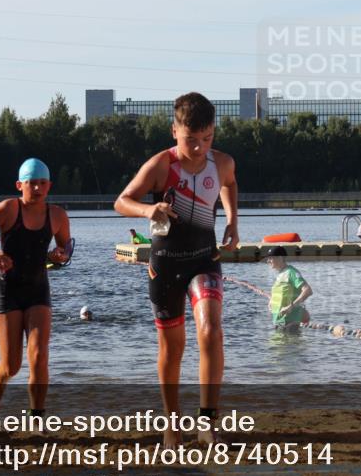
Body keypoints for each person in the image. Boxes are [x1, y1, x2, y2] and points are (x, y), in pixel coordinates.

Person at [114, 92, 239, 448]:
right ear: (174, 131)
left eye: (207, 139)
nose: (199, 148)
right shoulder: (160, 166)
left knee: (211, 329)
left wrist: (232, 219)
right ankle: (171, 425)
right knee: (172, 348)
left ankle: (208, 422)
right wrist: (147, 211)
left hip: (204, 260)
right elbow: (121, 201)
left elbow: (229, 184)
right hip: (166, 265)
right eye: (190, 140)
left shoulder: (223, 163)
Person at [0, 158, 72, 416]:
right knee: (12, 365)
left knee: (38, 356)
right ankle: (0, 381)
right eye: (31, 183)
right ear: (19, 185)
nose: (37, 189)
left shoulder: (57, 215)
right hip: (7, 290)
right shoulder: (8, 209)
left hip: (38, 290)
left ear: (49, 185)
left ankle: (37, 415)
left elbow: (66, 248)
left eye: (42, 183)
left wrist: (60, 255)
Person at [265, 246, 313, 331]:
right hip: (279, 321)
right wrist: (271, 301)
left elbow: (308, 290)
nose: (268, 261)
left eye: (270, 258)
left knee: (288, 343)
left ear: (280, 258)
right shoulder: (280, 274)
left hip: (290, 323)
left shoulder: (291, 272)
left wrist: (291, 306)